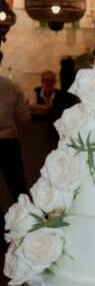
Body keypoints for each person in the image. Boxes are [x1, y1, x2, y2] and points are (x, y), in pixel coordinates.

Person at [0, 50, 30, 236]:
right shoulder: (11, 87)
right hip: (8, 142)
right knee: (18, 190)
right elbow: (23, 118)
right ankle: (25, 228)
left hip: (8, 142)